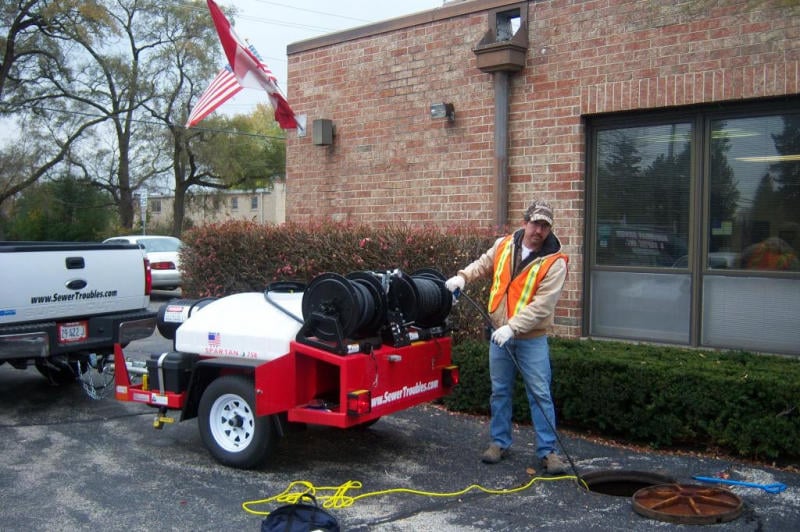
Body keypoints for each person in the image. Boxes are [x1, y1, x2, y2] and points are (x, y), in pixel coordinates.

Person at [445, 199, 569, 474]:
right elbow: (484, 263)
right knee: (499, 391)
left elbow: (542, 306)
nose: (539, 230)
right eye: (536, 223)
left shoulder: (554, 263)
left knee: (539, 394)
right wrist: (463, 277)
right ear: (525, 222)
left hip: (530, 338)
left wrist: (512, 327)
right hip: (498, 336)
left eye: (545, 226)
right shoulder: (504, 244)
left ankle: (548, 451)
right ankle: (499, 442)